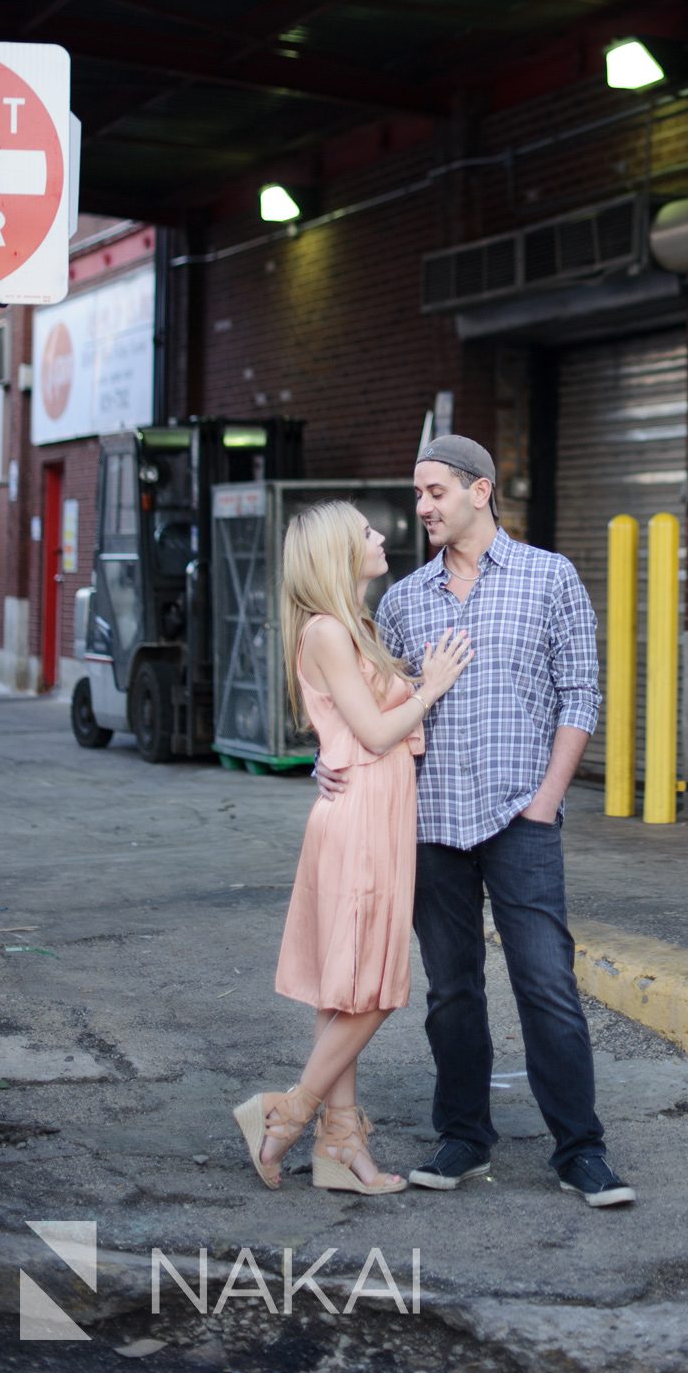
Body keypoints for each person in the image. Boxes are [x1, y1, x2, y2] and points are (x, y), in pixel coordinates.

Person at [316, 433, 635, 1209]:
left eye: (434, 493)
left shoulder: (548, 578)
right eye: (418, 494)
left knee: (546, 985)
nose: (421, 508)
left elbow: (580, 695)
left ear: (479, 491)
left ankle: (580, 1151)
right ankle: (463, 1137)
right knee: (451, 991)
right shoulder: (403, 601)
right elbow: (373, 709)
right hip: (426, 823)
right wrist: (331, 760)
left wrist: (546, 802)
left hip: (521, 816)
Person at [233, 500, 472, 1195]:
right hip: (363, 812)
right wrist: (432, 687)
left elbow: (347, 730)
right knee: (373, 988)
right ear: (338, 552)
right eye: (366, 531)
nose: (381, 535)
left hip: (375, 806)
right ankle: (287, 1115)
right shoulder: (329, 631)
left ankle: (340, 1143)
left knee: (346, 987)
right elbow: (372, 731)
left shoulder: (356, 627)